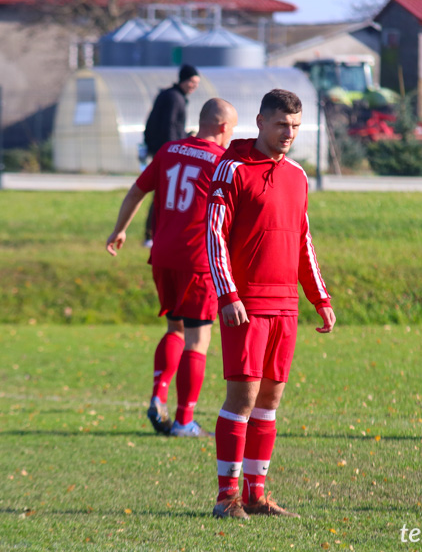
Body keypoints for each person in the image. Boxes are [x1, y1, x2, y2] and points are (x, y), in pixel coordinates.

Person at [206, 89, 335, 520]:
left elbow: (304, 241)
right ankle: (227, 499)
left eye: (296, 127)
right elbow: (214, 237)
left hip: (285, 305)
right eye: (282, 125)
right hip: (245, 303)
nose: (289, 134)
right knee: (242, 396)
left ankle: (257, 496)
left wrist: (320, 297)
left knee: (271, 398)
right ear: (260, 122)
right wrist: (228, 293)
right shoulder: (231, 169)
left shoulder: (297, 175)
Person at [107, 98, 238, 437]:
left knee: (175, 328)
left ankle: (157, 396)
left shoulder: (169, 150)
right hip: (198, 259)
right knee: (198, 339)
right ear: (224, 128)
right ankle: (183, 421)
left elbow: (136, 192)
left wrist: (119, 230)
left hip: (162, 255)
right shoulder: (221, 161)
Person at [142, 64, 201, 247]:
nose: (193, 86)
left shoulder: (170, 95)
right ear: (183, 80)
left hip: (162, 150)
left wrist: (184, 136)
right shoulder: (175, 98)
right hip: (167, 153)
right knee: (163, 193)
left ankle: (159, 234)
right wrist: (176, 149)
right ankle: (151, 235)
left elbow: (170, 127)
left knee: (165, 193)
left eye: (196, 83)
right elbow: (168, 127)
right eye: (191, 81)